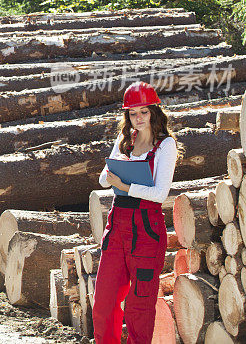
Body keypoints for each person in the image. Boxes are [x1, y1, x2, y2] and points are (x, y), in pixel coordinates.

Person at [92, 81, 178, 343]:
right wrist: (116, 171)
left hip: (147, 228)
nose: (138, 118)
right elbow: (103, 180)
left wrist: (126, 185)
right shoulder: (124, 140)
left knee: (139, 308)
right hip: (117, 225)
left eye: (143, 112)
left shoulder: (166, 146)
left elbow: (160, 194)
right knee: (104, 301)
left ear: (154, 112)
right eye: (132, 113)